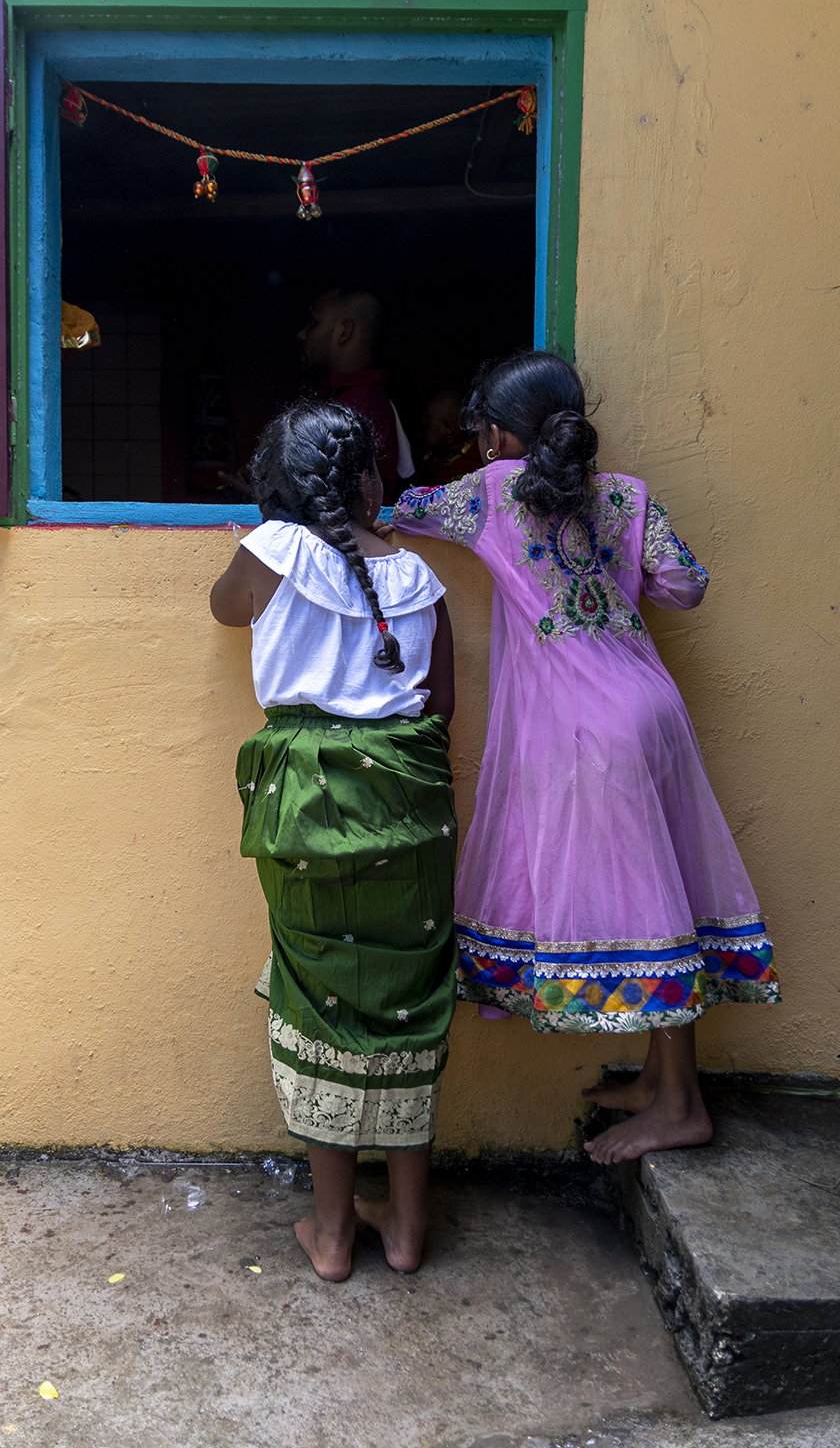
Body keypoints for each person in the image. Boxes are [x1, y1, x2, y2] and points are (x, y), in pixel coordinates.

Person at [388, 351, 780, 1166]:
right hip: (652, 709)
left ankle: (681, 1106)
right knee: (663, 892)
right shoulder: (628, 495)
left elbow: (405, 509)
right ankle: (659, 1081)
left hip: (586, 730)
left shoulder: (491, 492)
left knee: (647, 909)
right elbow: (684, 586)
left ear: (497, 435)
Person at [210, 399, 457, 1280]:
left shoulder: (270, 551)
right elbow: (439, 708)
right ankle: (407, 1227)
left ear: (277, 489)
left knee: (319, 995)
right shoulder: (420, 578)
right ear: (369, 483)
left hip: (307, 807)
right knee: (410, 995)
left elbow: (224, 610)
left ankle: (331, 1232)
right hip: (411, 806)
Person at [297, 283, 415, 501]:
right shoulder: (351, 399)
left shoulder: (360, 409)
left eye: (313, 323)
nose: (301, 334)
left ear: (344, 331)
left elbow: (332, 503)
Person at [415, 388, 483, 485]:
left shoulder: (472, 464)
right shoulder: (430, 458)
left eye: (426, 426)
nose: (419, 434)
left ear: (448, 428)